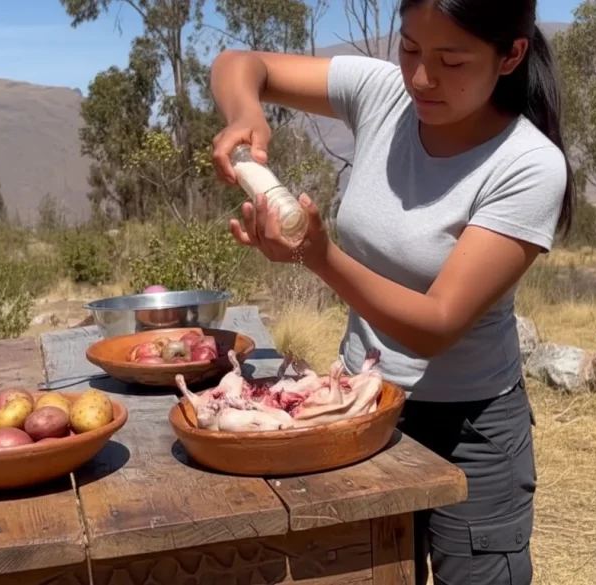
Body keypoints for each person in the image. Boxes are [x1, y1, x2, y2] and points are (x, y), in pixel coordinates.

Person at [208, 0, 574, 583]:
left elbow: (437, 323)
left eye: (451, 61)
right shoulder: (384, 93)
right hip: (361, 409)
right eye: (409, 49)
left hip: (470, 433)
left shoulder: (529, 165)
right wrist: (244, 111)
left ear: (511, 55)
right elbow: (239, 62)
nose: (421, 78)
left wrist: (317, 254)